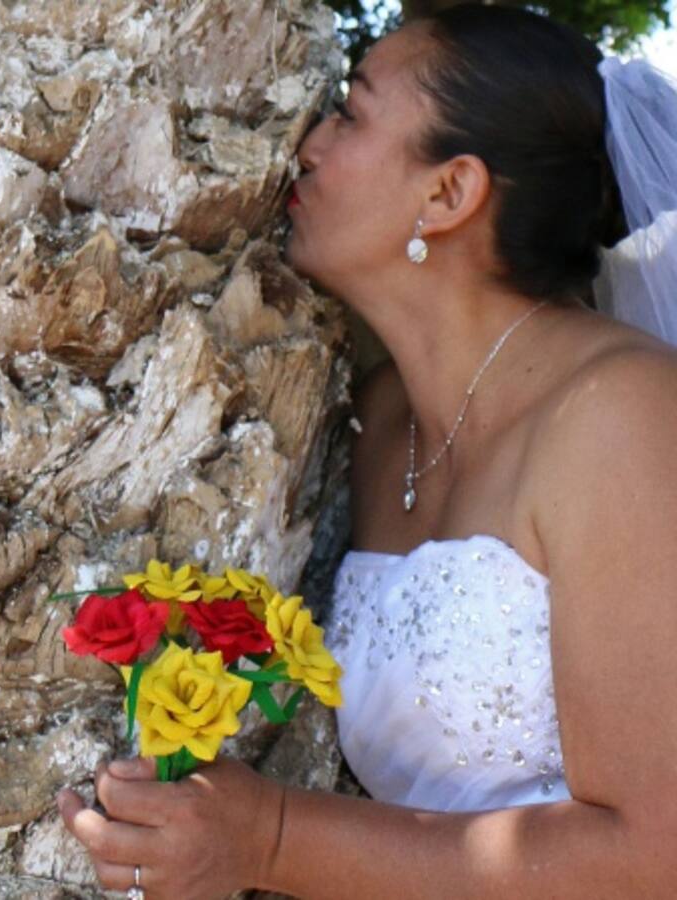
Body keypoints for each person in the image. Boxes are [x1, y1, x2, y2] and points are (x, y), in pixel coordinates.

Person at [56, 5, 677, 897]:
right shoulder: (380, 420)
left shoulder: (622, 415)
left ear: (449, 193)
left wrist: (270, 838)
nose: (305, 144)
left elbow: (655, 853)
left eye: (350, 113)